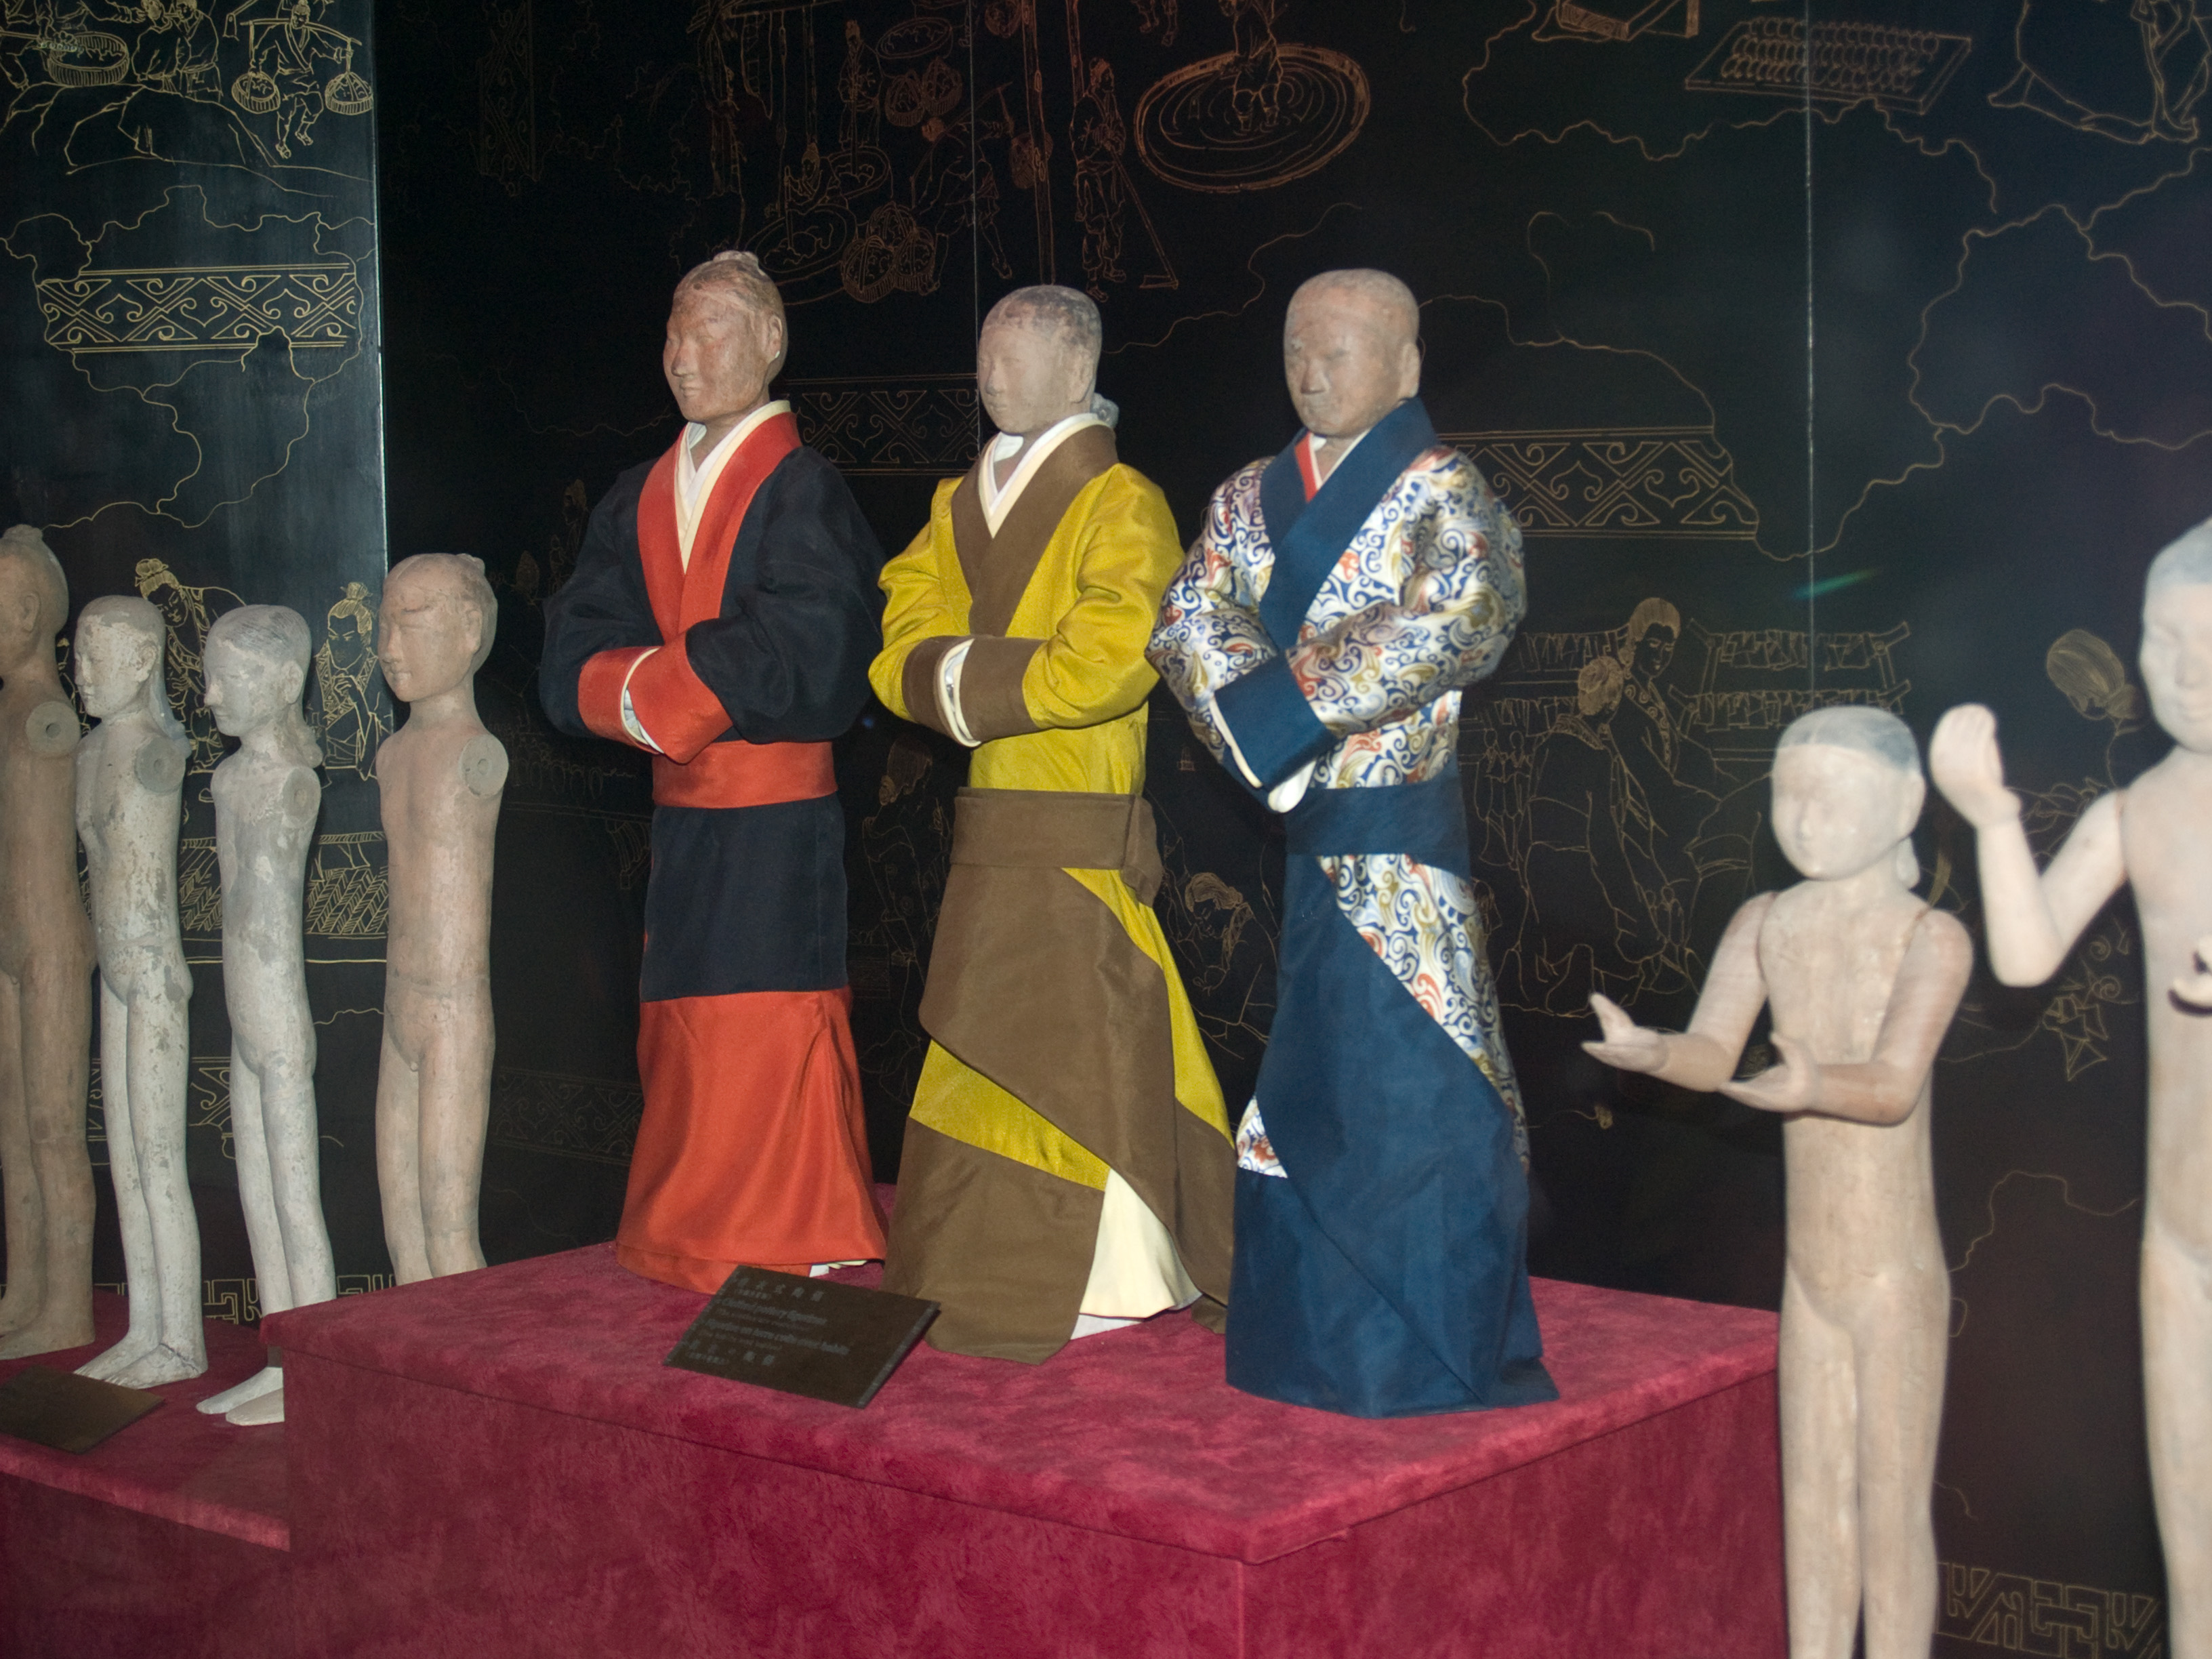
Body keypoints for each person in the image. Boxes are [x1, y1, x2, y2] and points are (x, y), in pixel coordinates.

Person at [1148, 268, 1553, 1416]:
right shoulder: (1245, 495)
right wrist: (1261, 736)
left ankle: (1423, 1344)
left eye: (1338, 351)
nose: (1311, 374)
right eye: (1295, 351)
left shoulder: (1443, 489)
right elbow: (1185, 614)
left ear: (1407, 366)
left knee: (1418, 1076)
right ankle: (1310, 1335)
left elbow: (1461, 615)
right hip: (1303, 831)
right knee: (1311, 1077)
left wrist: (1279, 719)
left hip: (1399, 839)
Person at [870, 285, 1233, 1361]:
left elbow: (1112, 657)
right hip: (992, 823)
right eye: (985, 352)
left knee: (1083, 1041)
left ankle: (1112, 1270)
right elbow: (901, 628)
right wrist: (961, 677)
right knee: (984, 1037)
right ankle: (973, 1264)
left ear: (1079, 370)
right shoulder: (956, 501)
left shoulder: (1122, 500)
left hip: (1075, 821)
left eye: (1016, 354)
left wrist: (957, 680)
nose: (992, 374)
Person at [1586, 707, 1971, 1659]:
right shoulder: (1767, 920)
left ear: (1906, 805)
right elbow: (1714, 1051)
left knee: (1891, 1514)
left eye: (1830, 797)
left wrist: (1814, 1087)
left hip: (1893, 1279)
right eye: (1786, 796)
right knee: (1811, 1503)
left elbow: (1892, 1087)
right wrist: (1655, 1052)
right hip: (1811, 1280)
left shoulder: (1930, 938)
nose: (1803, 819)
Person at [539, 251, 886, 1291]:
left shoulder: (804, 489)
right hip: (682, 817)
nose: (684, 358)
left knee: (768, 1013)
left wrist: (659, 691)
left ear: (771, 343)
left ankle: (789, 1228)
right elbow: (570, 649)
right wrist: (651, 694)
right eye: (673, 335)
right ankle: (688, 1222)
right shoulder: (637, 495)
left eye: (710, 333)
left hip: (777, 814)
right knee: (683, 1020)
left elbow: (816, 640)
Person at [1930, 514, 2212, 1659]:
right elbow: (2023, 955)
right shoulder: (2137, 811)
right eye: (2163, 642)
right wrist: (1994, 819)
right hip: (2181, 1245)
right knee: (2194, 1567)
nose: (2185, 673)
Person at [73, 596, 203, 1388]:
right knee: (123, 1161)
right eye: (79, 654)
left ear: (145, 660)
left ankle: (181, 1338)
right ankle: (146, 1326)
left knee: (158, 1160)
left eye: (99, 655)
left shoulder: (159, 750)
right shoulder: (92, 750)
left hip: (151, 974)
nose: (82, 671)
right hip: (113, 973)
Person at [375, 556, 506, 1283]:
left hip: (452, 1014)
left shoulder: (476, 754)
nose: (390, 645)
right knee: (404, 1236)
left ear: (469, 629)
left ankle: (475, 1361)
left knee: (449, 1234)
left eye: (412, 621)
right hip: (399, 1005)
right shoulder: (392, 755)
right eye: (384, 623)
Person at [0, 528, 94, 1360]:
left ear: (28, 614)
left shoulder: (49, 716)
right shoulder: (12, 708)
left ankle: (66, 1304)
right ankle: (25, 1287)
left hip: (50, 947)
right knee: (12, 1125)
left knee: (53, 1128)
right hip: (11, 943)